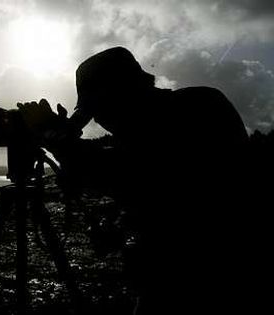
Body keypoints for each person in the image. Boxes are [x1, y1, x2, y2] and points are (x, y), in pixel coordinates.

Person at [18, 47, 254, 314]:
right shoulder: (157, 123)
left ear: (121, 94)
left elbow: (132, 174)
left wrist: (53, 136)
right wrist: (120, 224)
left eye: (99, 110)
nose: (101, 121)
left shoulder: (198, 107)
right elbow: (149, 190)